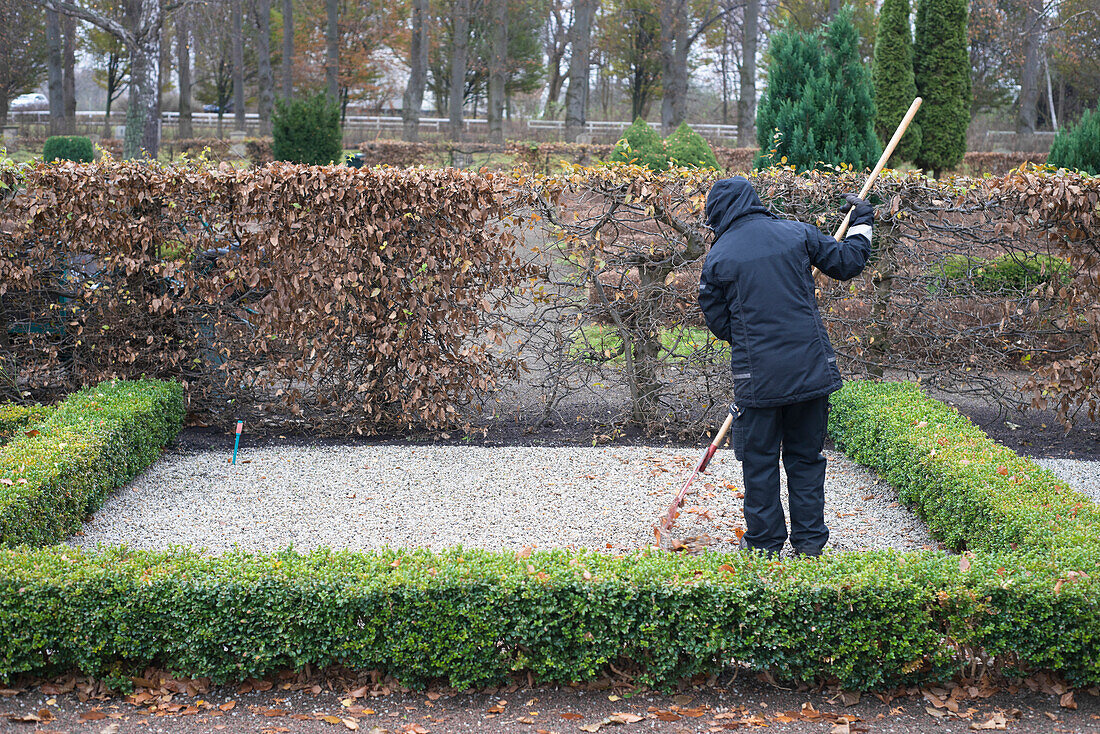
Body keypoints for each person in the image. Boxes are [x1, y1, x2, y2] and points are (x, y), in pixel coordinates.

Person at [697, 176, 873, 557]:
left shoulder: (719, 256)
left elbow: (716, 318)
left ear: (718, 213)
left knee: (759, 462)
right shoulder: (798, 235)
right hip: (810, 371)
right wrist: (861, 221)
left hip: (757, 381)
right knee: (806, 460)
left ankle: (763, 544)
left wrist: (745, 336)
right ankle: (809, 546)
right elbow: (848, 262)